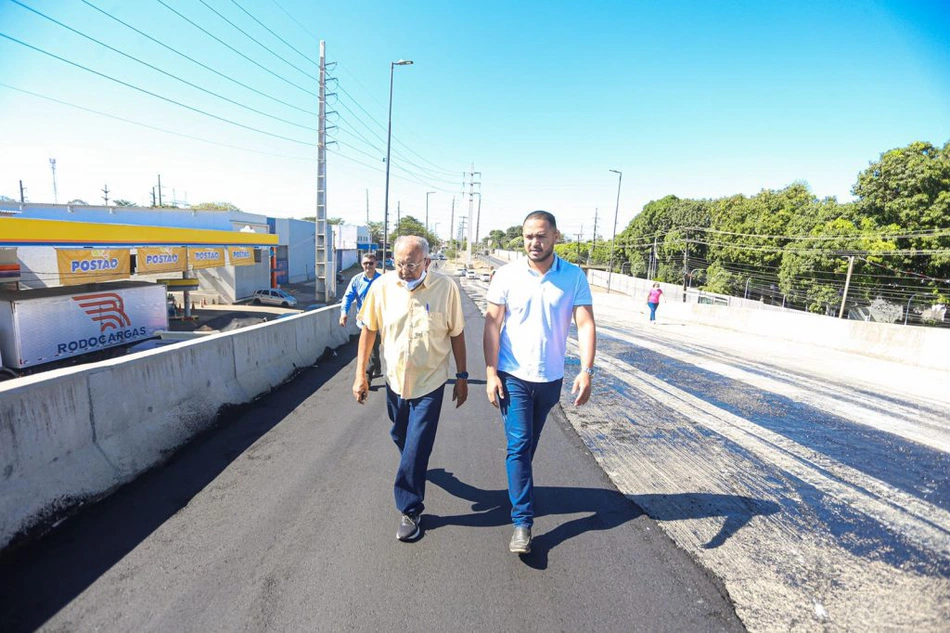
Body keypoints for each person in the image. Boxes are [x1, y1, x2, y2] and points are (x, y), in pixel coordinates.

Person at [483, 211, 597, 554]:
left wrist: (587, 370)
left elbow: (586, 324)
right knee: (518, 445)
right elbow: (491, 325)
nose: (535, 242)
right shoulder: (506, 275)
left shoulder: (574, 276)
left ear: (556, 236)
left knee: (527, 447)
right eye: (529, 236)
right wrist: (490, 372)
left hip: (550, 380)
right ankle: (522, 523)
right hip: (512, 374)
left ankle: (518, 487)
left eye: (541, 235)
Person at [353, 235, 468, 542]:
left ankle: (410, 508)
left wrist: (462, 376)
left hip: (430, 382)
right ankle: (413, 464)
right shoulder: (382, 287)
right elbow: (369, 330)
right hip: (394, 379)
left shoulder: (446, 289)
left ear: (427, 263)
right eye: (398, 263)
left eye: (411, 264)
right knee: (400, 435)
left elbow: (457, 333)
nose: (403, 270)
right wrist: (360, 374)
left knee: (417, 445)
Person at [340, 253, 383, 381]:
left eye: (371, 263)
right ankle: (374, 369)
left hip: (378, 321)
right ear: (361, 264)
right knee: (369, 350)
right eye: (365, 263)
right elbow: (348, 297)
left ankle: (367, 375)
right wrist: (344, 313)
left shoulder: (382, 281)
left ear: (376, 264)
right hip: (364, 322)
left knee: (373, 349)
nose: (368, 266)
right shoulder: (356, 280)